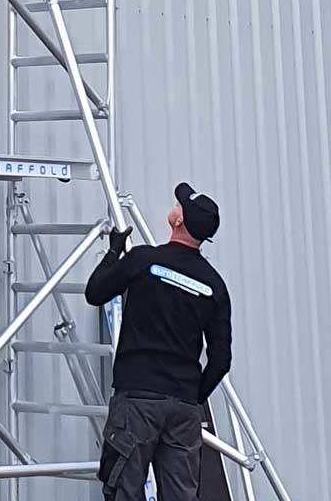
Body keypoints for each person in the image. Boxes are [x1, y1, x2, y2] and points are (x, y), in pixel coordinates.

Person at [85, 184, 232, 501]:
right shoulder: (214, 286)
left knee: (124, 491)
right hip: (182, 409)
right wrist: (192, 396)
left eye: (180, 205)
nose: (175, 206)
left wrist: (113, 253)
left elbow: (95, 292)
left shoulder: (143, 260)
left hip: (137, 400)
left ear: (179, 221)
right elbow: (221, 360)